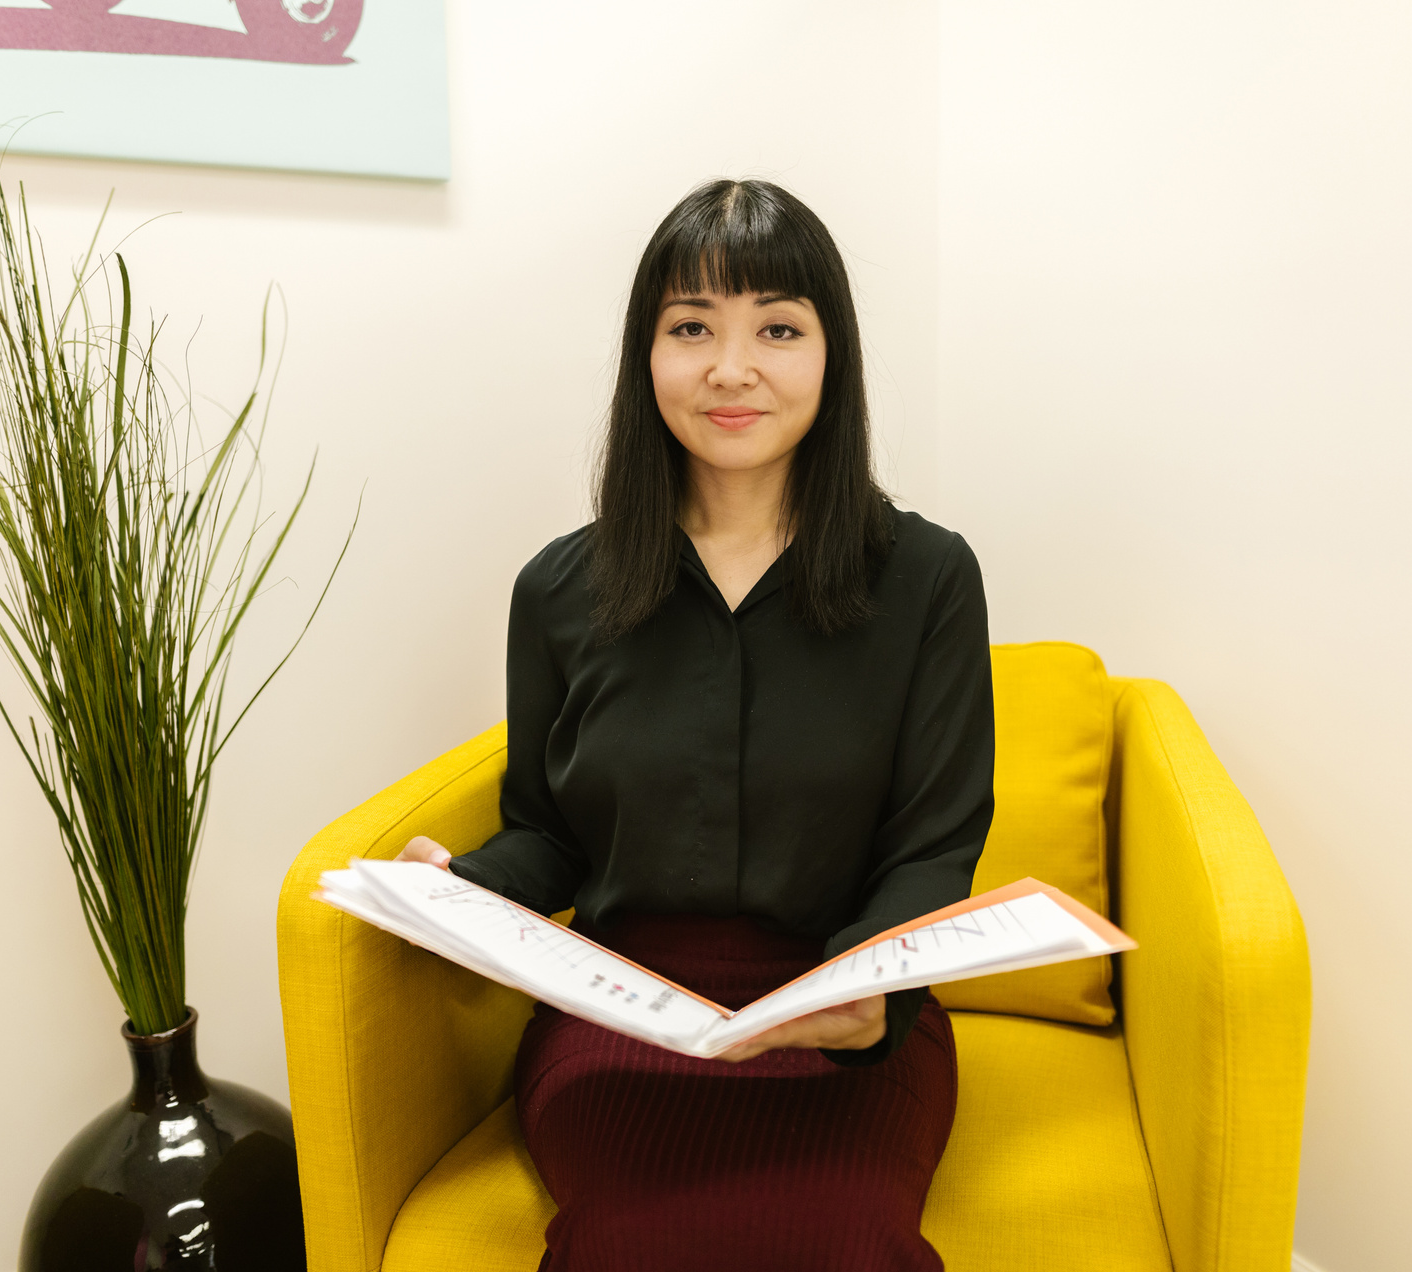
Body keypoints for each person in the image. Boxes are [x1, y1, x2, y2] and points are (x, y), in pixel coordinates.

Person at [396, 179, 995, 1272]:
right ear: (647, 356)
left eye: (776, 327)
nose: (732, 367)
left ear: (832, 355)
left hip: (845, 1017)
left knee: (845, 1238)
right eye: (691, 329)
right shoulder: (560, 589)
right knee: (630, 1238)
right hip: (622, 1013)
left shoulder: (928, 577)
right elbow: (551, 832)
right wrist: (462, 888)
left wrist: (868, 994)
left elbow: (934, 847)